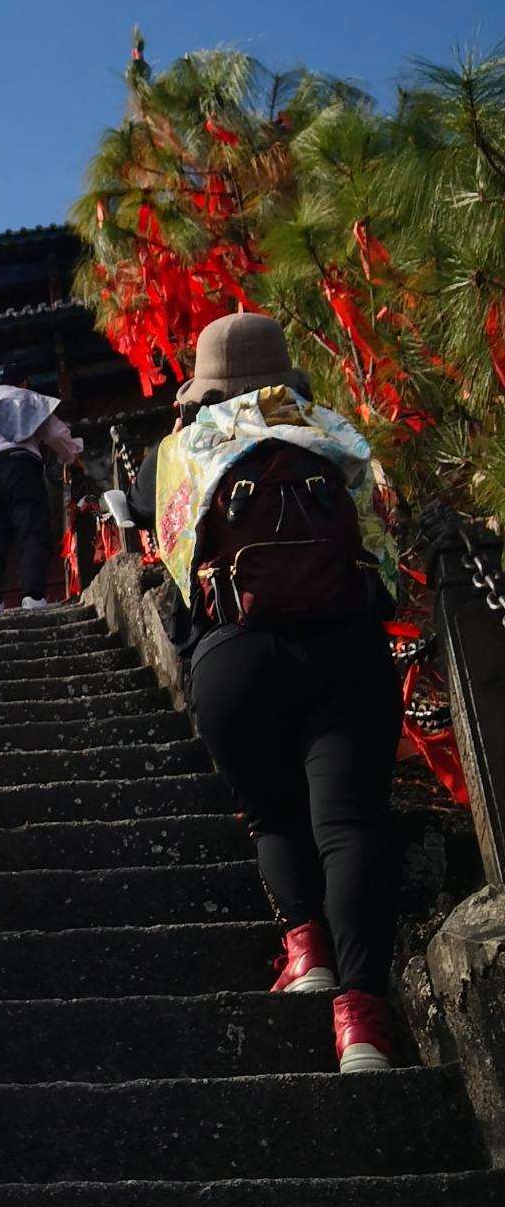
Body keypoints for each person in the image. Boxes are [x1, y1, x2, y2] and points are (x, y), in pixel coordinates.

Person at [131, 313, 404, 1074]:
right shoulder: (333, 430)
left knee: (272, 813)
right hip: (344, 646)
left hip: (235, 659)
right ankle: (362, 1024)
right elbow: (384, 539)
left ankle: (305, 946)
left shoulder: (180, 448)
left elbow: (149, 516)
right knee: (349, 823)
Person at [0, 357, 84, 612]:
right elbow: (57, 435)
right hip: (19, 469)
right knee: (32, 530)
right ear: (24, 383)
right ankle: (33, 597)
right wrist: (73, 458)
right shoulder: (26, 398)